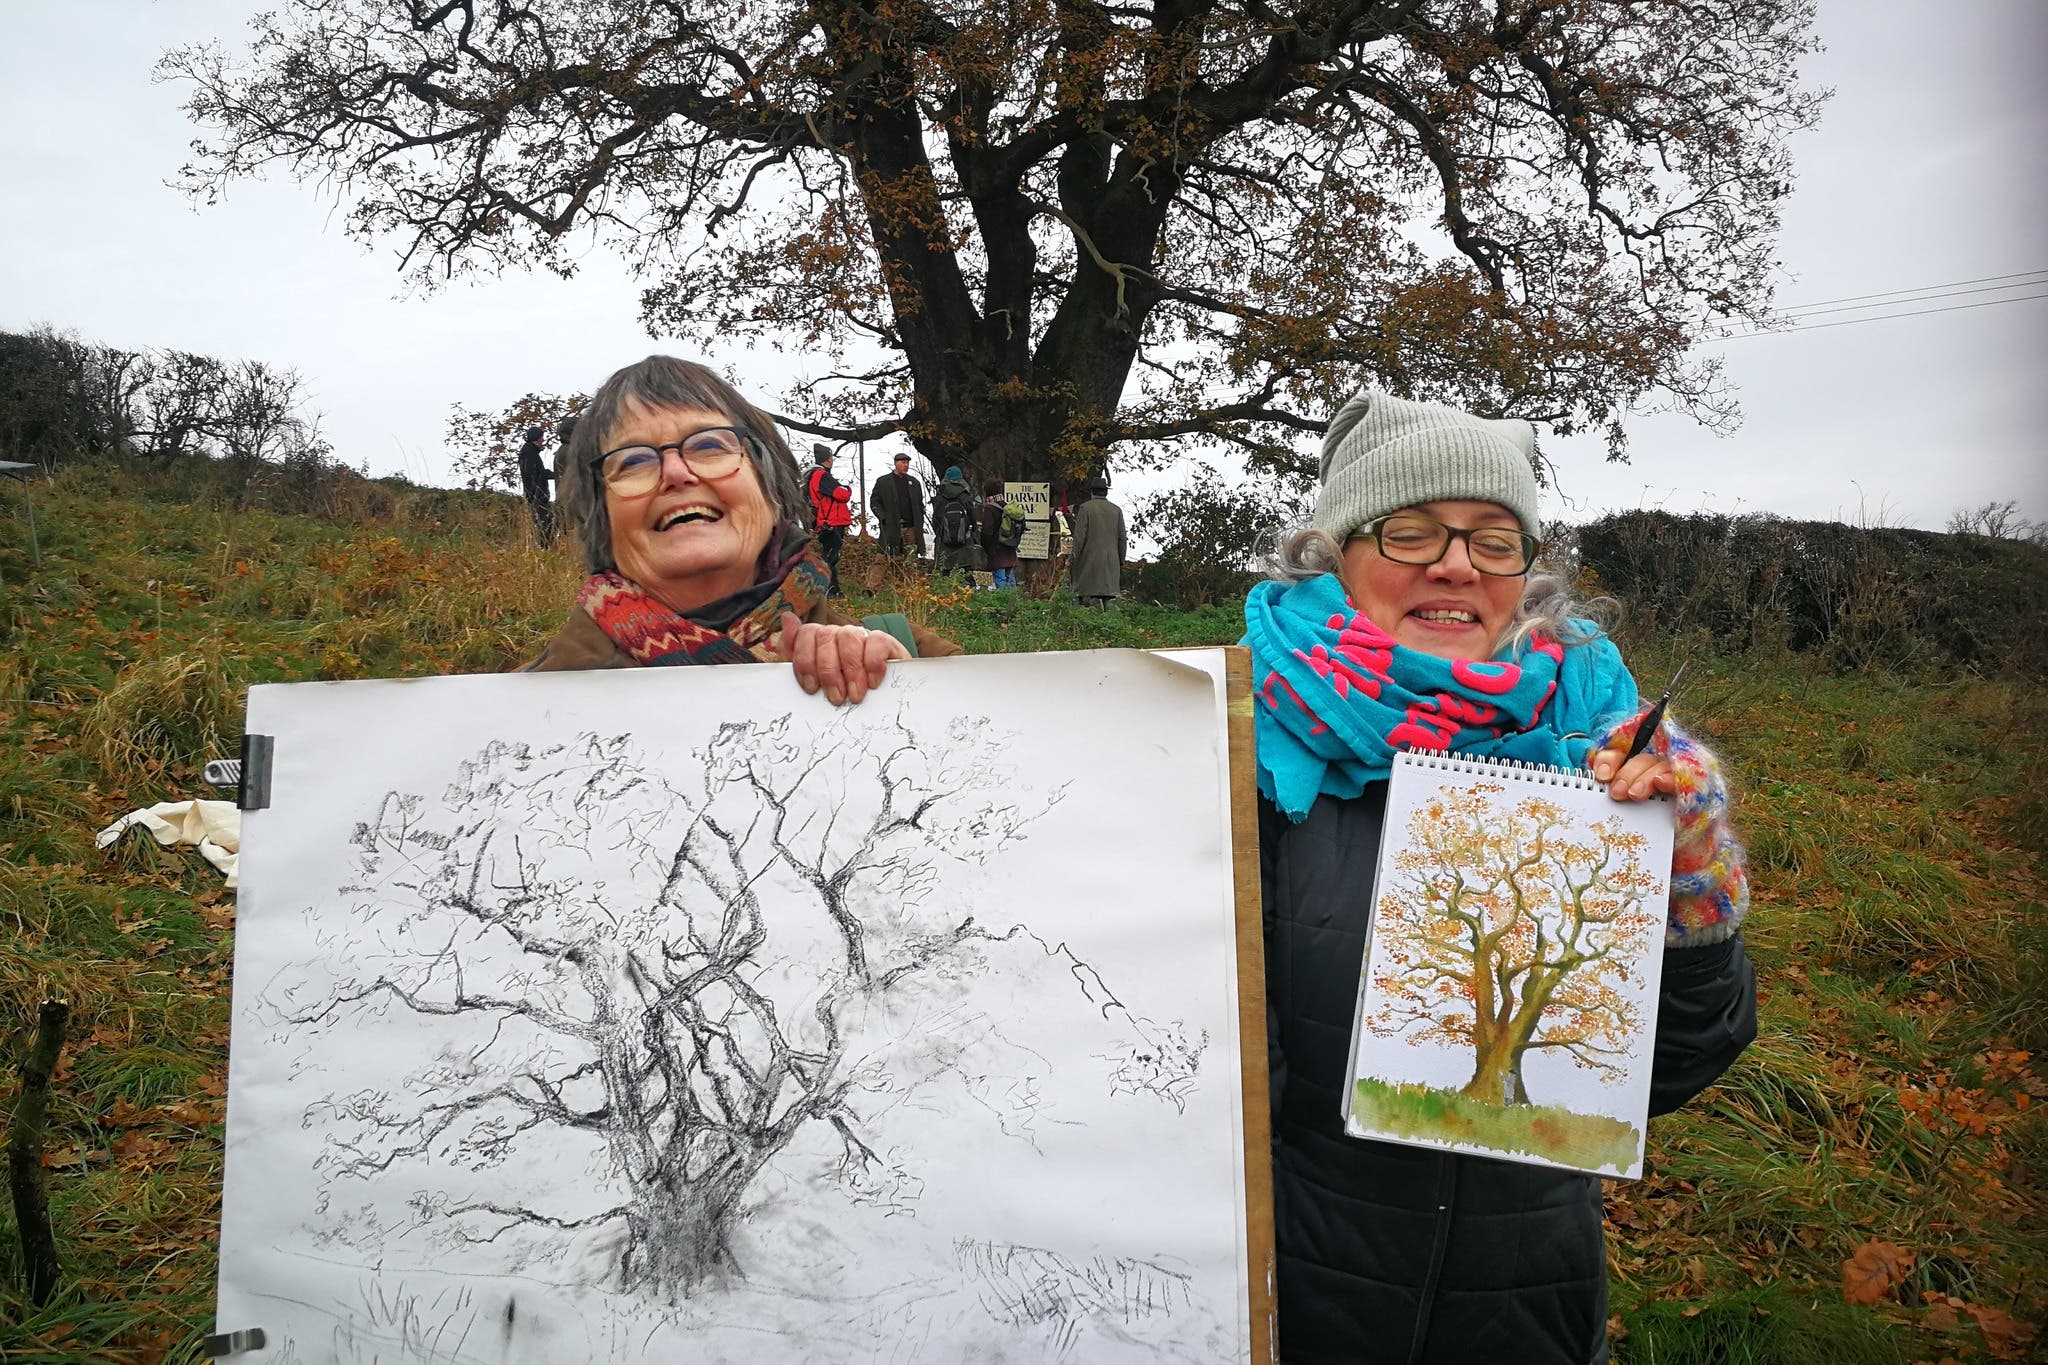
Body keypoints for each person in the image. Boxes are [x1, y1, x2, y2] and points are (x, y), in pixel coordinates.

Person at [1244, 389, 1755, 1365]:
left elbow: (1670, 1068)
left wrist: (1686, 877)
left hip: (1525, 1316)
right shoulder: (1236, 743)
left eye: (1491, 539)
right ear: (1333, 552)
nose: (1453, 563)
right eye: (1410, 531)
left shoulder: (1603, 753)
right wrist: (884, 681)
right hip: (1290, 1309)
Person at [524, 357, 960, 690]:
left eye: (710, 445)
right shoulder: (514, 718)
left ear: (771, 487)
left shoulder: (912, 654)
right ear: (600, 515)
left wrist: (909, 696)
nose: (676, 473)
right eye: (634, 460)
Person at [1068, 475, 1125, 609]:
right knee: (1109, 598)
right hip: (1111, 562)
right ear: (1106, 492)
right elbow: (1122, 538)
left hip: (1089, 562)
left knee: (1081, 596)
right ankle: (1111, 627)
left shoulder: (1085, 508)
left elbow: (1079, 538)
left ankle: (1081, 626)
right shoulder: (1116, 510)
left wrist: (1073, 558)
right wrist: (1120, 560)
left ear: (1092, 492)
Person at [805, 442, 853, 596]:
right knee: (830, 557)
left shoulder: (815, 475)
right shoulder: (822, 475)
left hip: (827, 521)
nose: (832, 459)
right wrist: (847, 489)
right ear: (827, 459)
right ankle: (828, 591)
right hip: (831, 521)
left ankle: (833, 591)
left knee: (831, 556)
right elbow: (842, 494)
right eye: (831, 456)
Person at [870, 452, 925, 560]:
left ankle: (906, 577)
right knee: (882, 559)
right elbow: (875, 502)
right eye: (903, 462)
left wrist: (919, 521)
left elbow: (920, 505)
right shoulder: (883, 482)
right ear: (895, 463)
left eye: (908, 463)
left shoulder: (914, 483)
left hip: (911, 528)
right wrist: (884, 517)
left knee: (910, 561)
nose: (906, 465)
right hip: (891, 526)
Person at [932, 465, 978, 578]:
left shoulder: (940, 497)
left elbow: (936, 520)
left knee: (944, 576)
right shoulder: (965, 496)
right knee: (966, 576)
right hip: (964, 544)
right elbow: (973, 519)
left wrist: (941, 534)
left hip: (944, 545)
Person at [516, 423, 556, 547]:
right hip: (537, 497)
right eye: (541, 437)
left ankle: (545, 548)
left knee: (544, 525)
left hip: (535, 496)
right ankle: (546, 549)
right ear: (537, 438)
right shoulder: (530, 453)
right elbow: (534, 475)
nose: (543, 440)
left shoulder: (528, 451)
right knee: (544, 527)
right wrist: (554, 475)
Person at [980, 479, 1022, 590]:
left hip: (996, 551)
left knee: (1001, 580)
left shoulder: (989, 508)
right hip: (1010, 548)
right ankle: (1015, 605)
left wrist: (987, 548)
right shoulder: (1007, 507)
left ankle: (1004, 605)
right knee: (1011, 580)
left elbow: (986, 532)